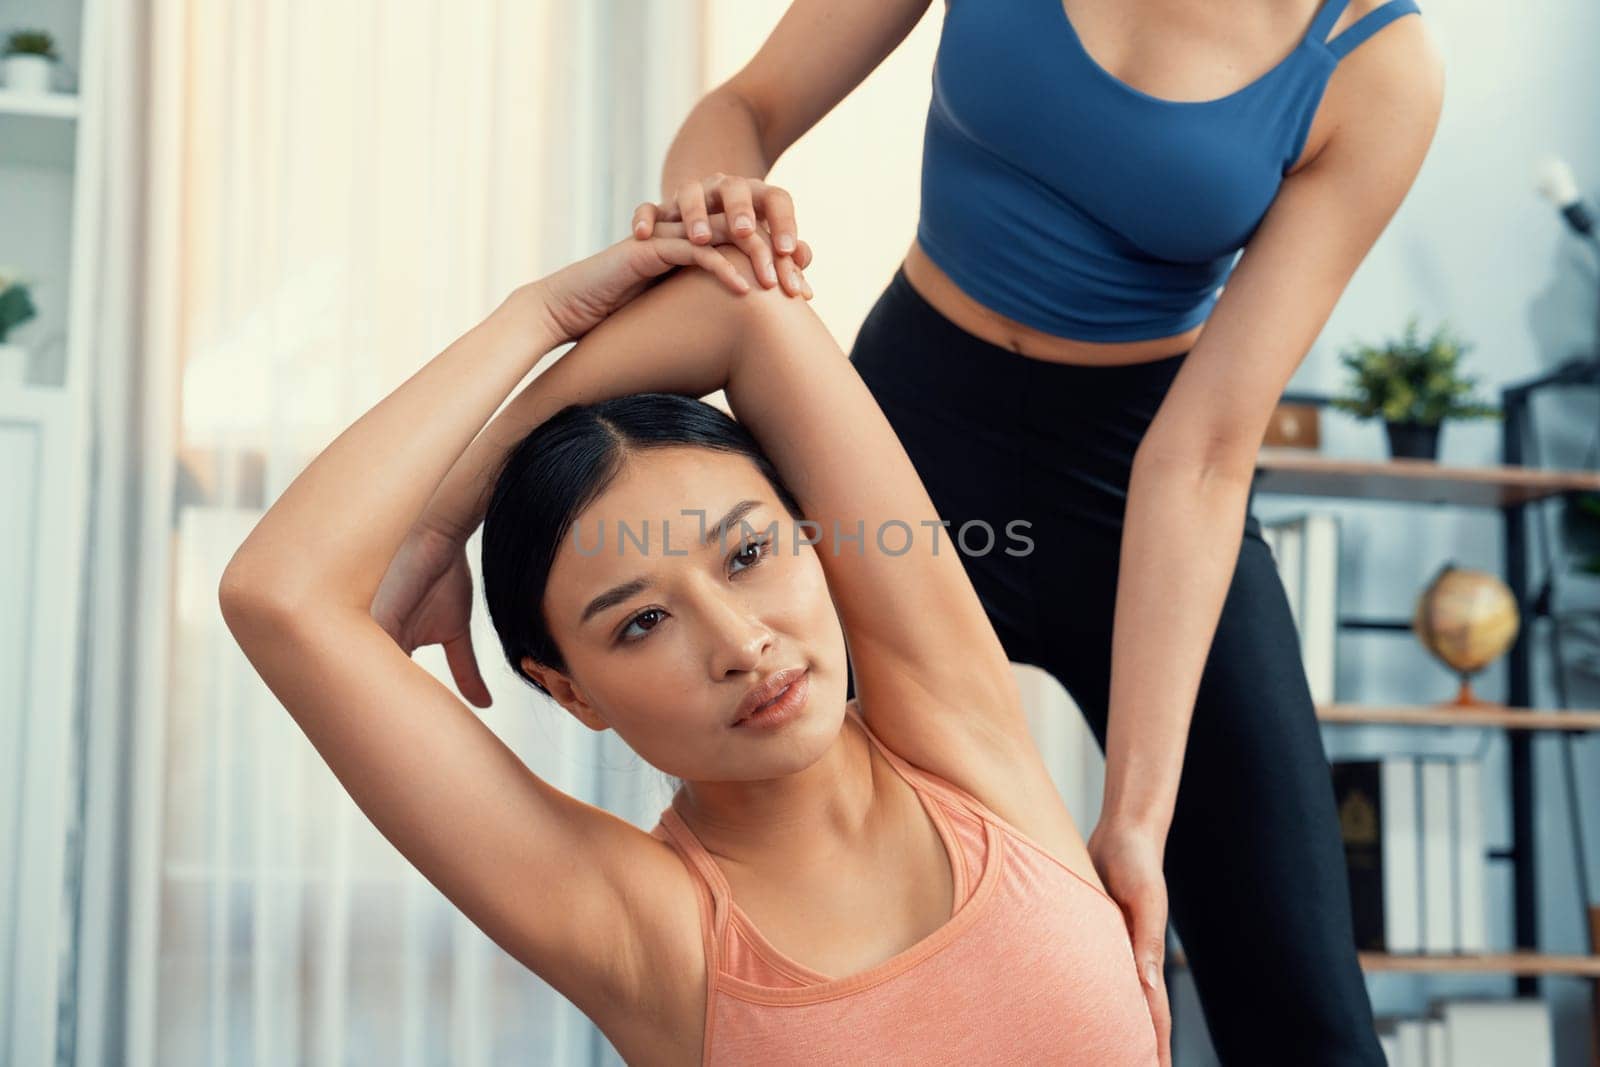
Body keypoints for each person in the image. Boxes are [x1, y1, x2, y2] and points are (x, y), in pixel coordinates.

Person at [632, 0, 1444, 1062]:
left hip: (1151, 486)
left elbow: (1199, 457)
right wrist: (717, 202)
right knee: (803, 901)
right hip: (899, 442)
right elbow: (746, 104)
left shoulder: (1372, 65)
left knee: (1304, 1015)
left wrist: (1136, 821)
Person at [218, 221, 1162, 1064]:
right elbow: (279, 594)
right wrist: (534, 314)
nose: (741, 642)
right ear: (572, 691)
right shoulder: (648, 931)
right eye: (641, 622)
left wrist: (455, 502)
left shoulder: (962, 737)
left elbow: (739, 308)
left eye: (750, 550)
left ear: (817, 540)